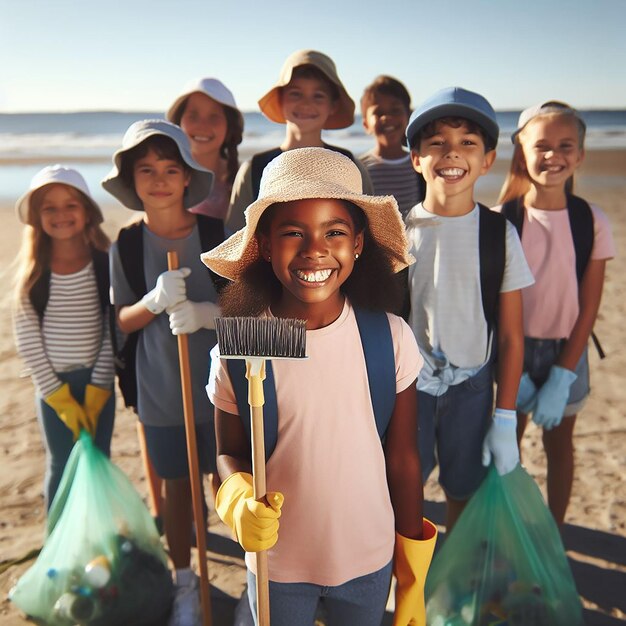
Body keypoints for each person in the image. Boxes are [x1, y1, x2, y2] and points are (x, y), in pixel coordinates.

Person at [205, 147, 437, 626]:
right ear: (266, 245)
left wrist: (414, 572)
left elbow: (404, 458)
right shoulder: (248, 341)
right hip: (277, 565)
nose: (315, 249)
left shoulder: (386, 335)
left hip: (368, 560)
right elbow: (228, 453)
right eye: (294, 232)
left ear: (357, 244)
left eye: (334, 232)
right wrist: (235, 499)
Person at [102, 120, 223, 626]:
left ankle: (262, 577)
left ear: (187, 176)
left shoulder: (216, 233)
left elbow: (248, 307)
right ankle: (185, 583)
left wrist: (206, 313)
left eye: (170, 168)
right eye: (146, 170)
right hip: (160, 387)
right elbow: (121, 321)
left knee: (232, 479)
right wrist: (153, 301)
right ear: (132, 180)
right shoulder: (126, 245)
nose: (158, 179)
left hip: (224, 387)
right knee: (177, 487)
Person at [404, 87, 534, 531]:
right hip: (409, 392)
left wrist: (505, 416)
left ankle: (453, 586)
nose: (451, 154)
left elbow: (514, 335)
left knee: (463, 491)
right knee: (404, 493)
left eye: (467, 143)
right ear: (416, 158)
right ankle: (410, 589)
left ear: (487, 159)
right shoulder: (398, 232)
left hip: (473, 392)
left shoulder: (500, 234)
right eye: (436, 143)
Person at [495, 101, 615, 525]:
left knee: (560, 445)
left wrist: (563, 374)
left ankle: (556, 531)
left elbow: (589, 307)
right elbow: (494, 306)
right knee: (506, 443)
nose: (553, 155)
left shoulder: (591, 220)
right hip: (512, 350)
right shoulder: (502, 220)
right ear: (521, 150)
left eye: (566, 145)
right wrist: (513, 370)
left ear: (580, 155)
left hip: (570, 350)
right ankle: (507, 527)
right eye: (542, 145)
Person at [13, 165, 115, 510]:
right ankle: (58, 538)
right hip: (52, 389)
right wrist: (56, 393)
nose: (61, 215)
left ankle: (95, 538)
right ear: (37, 216)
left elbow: (110, 328)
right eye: (49, 207)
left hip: (96, 385)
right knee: (60, 463)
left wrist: (100, 385)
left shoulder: (104, 264)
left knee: (97, 458)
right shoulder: (34, 274)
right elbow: (27, 338)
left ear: (87, 211)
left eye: (70, 204)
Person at [225, 49, 373, 233]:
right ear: (280, 99)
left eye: (318, 95)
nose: (306, 104)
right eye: (296, 93)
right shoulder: (255, 169)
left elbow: (368, 235)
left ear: (333, 105)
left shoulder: (350, 167)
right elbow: (234, 237)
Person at [167, 77, 244, 221]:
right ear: (178, 122)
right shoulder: (164, 177)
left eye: (214, 117)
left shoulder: (244, 178)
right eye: (193, 115)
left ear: (230, 127)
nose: (202, 125)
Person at [360, 75, 425, 219]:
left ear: (408, 116)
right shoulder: (361, 168)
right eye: (378, 112)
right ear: (365, 124)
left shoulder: (420, 164)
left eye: (395, 110)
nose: (387, 117)